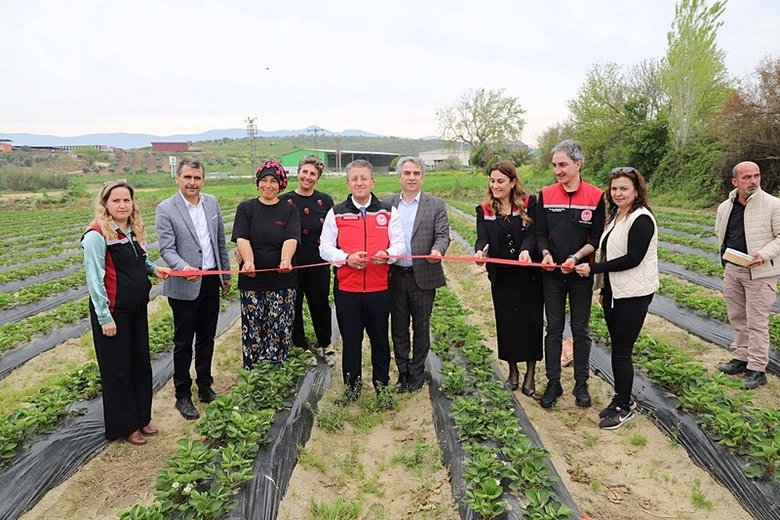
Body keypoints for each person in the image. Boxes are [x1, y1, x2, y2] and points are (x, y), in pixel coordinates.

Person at [82, 181, 170, 445]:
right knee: (117, 370)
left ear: (133, 203)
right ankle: (126, 425)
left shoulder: (132, 230)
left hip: (136, 309)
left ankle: (142, 418)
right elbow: (94, 280)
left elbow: (140, 262)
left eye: (126, 200)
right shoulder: (97, 234)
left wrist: (155, 270)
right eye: (116, 200)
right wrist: (104, 317)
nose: (122, 205)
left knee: (140, 363)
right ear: (105, 204)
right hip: (113, 312)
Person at [575, 167, 658, 429]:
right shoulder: (616, 216)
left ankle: (624, 406)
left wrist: (593, 270)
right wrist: (604, 289)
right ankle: (621, 397)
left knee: (622, 352)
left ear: (636, 191)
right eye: (614, 188)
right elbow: (608, 252)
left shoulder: (641, 219)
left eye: (624, 188)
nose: (618, 193)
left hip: (634, 294)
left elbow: (633, 258)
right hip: (615, 292)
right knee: (617, 348)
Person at [319, 159, 405, 405]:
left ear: (372, 182)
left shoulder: (388, 212)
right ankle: (352, 388)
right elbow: (325, 249)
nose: (359, 183)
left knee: (379, 339)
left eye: (364, 178)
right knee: (351, 341)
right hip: (348, 290)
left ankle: (382, 387)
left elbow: (399, 244)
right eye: (354, 178)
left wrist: (388, 255)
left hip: (380, 289)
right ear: (348, 183)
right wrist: (346, 258)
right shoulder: (336, 212)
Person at [156, 159, 231, 421]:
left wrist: (225, 275)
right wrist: (184, 267)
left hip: (210, 280)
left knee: (208, 338)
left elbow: (219, 240)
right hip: (184, 284)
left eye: (197, 178)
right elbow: (166, 249)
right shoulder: (166, 208)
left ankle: (205, 386)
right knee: (183, 342)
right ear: (177, 178)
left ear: (203, 180)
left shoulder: (211, 202)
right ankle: (182, 395)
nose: (192, 183)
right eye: (187, 177)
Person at [535, 139, 605, 409]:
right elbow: (540, 234)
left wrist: (575, 258)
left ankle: (581, 385)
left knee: (580, 329)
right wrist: (546, 255)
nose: (558, 170)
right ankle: (554, 383)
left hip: (580, 275)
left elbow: (595, 238)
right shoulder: (546, 194)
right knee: (553, 329)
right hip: (552, 275)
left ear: (578, 164)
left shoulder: (596, 196)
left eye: (562, 165)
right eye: (554, 165)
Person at [476, 160, 543, 396]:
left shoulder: (528, 204)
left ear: (513, 182)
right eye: (492, 181)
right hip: (502, 277)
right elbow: (481, 237)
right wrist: (480, 250)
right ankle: (513, 369)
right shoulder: (485, 209)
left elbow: (534, 234)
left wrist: (526, 250)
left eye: (500, 181)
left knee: (531, 322)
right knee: (507, 323)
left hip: (528, 275)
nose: (495, 185)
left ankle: (531, 372)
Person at [383, 157, 450, 392]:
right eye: (407, 173)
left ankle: (417, 370)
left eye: (416, 173)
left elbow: (443, 235)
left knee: (421, 326)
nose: (412, 177)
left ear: (422, 177)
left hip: (423, 275)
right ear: (400, 176)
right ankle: (402, 371)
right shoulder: (387, 204)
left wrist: (437, 250)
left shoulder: (436, 205)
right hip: (395, 275)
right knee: (399, 326)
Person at [715, 161, 780, 389]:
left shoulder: (773, 205)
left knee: (757, 321)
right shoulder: (725, 207)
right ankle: (741, 357)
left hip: (760, 272)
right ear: (735, 181)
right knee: (737, 317)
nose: (753, 181)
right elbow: (720, 233)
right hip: (733, 268)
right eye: (746, 177)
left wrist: (763, 254)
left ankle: (757, 368)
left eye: (756, 176)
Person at [232, 160, 300, 369]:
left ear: (281, 184)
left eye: (273, 181)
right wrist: (249, 262)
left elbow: (291, 238)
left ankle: (275, 370)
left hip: (283, 280)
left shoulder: (289, 210)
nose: (268, 185)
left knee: (279, 326)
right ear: (258, 183)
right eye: (264, 180)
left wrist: (286, 259)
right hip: (252, 280)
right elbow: (242, 238)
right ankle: (253, 370)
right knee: (254, 325)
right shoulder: (247, 208)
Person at [280, 155, 335, 365]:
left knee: (320, 303)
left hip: (318, 261)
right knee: (294, 304)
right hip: (292, 262)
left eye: (313, 174)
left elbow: (333, 231)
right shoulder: (285, 200)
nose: (308, 177)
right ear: (298, 172)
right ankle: (300, 346)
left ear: (317, 178)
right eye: (305, 172)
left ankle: (326, 344)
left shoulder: (325, 200)